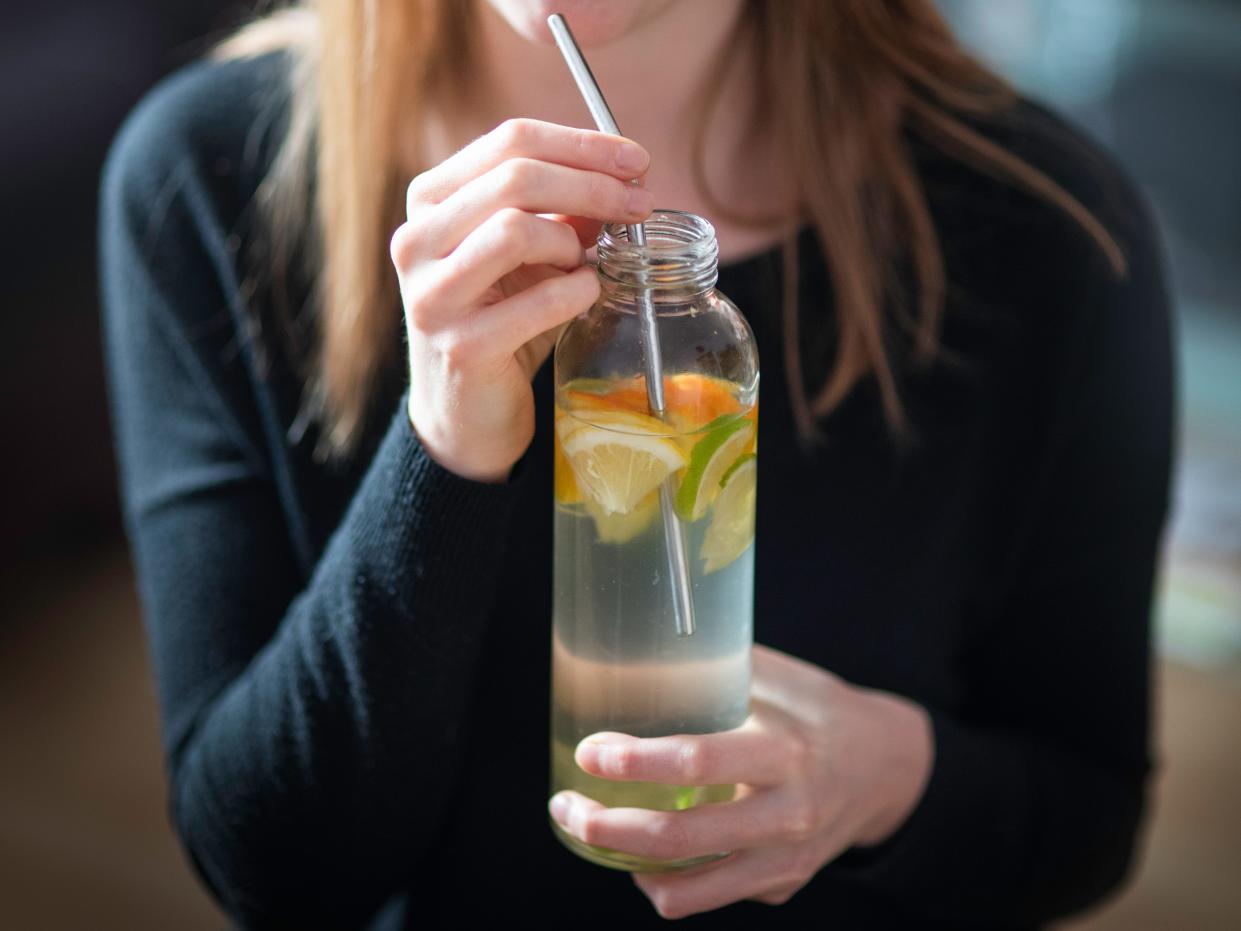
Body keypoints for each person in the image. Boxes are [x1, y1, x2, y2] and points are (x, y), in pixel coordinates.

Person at [98, 1, 1174, 928]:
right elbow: (274, 872)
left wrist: (887, 779)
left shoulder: (1055, 230)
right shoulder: (206, 175)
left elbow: (1086, 817)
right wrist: (442, 449)